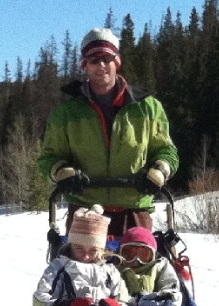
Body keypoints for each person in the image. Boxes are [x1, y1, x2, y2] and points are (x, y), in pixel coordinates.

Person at [37, 27, 179, 236]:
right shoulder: (66, 113)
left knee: (140, 269)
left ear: (117, 61)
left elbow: (167, 152)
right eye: (93, 60)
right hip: (86, 213)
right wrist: (61, 172)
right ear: (85, 65)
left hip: (135, 211)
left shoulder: (148, 108)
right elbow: (48, 158)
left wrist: (159, 171)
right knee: (81, 269)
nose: (101, 65)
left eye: (106, 58)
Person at [33, 205, 130, 306]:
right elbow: (38, 302)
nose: (86, 255)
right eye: (79, 248)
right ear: (71, 245)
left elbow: (124, 299)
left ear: (101, 249)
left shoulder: (110, 271)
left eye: (93, 250)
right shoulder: (59, 267)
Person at [116, 226, 182, 306]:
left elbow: (169, 284)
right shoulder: (115, 269)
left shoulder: (159, 266)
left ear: (154, 255)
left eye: (143, 255)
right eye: (129, 254)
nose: (136, 260)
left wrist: (168, 298)